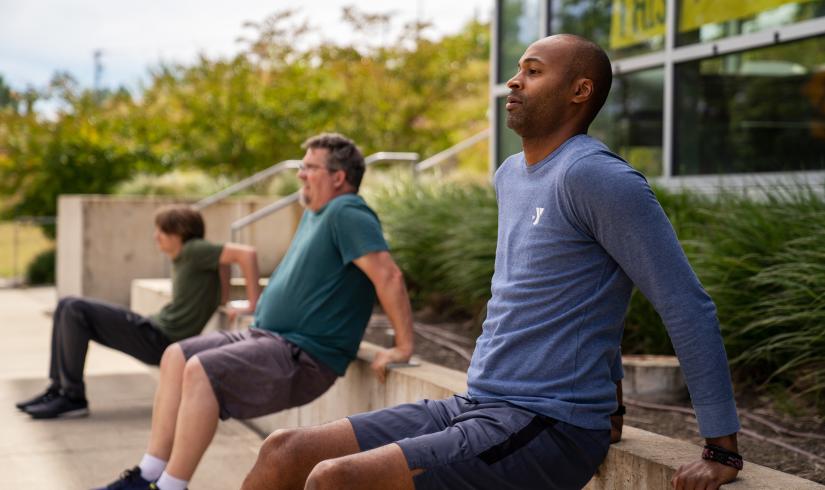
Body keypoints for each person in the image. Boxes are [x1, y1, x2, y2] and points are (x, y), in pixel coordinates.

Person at [241, 35, 742, 490]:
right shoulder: (511, 175)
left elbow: (686, 306)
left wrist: (722, 448)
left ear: (579, 91)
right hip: (477, 403)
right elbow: (569, 288)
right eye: (518, 68)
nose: (514, 80)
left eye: (533, 70)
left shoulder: (599, 179)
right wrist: (613, 404)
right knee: (285, 449)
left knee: (337, 480)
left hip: (546, 424)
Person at [94, 133, 415, 490]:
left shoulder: (348, 211)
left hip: (303, 352)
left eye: (310, 167)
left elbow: (388, 274)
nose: (301, 174)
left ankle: (170, 486)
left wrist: (403, 346)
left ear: (339, 177)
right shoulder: (317, 213)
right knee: (176, 355)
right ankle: (149, 473)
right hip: (267, 336)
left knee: (202, 370)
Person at [16, 205, 261, 420]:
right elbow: (223, 262)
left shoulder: (193, 249)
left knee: (74, 308)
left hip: (159, 338)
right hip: (153, 330)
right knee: (66, 306)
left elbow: (246, 254)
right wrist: (224, 298)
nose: (156, 237)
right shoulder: (194, 255)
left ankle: (71, 396)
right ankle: (59, 389)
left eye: (162, 231)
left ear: (181, 233)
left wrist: (252, 304)